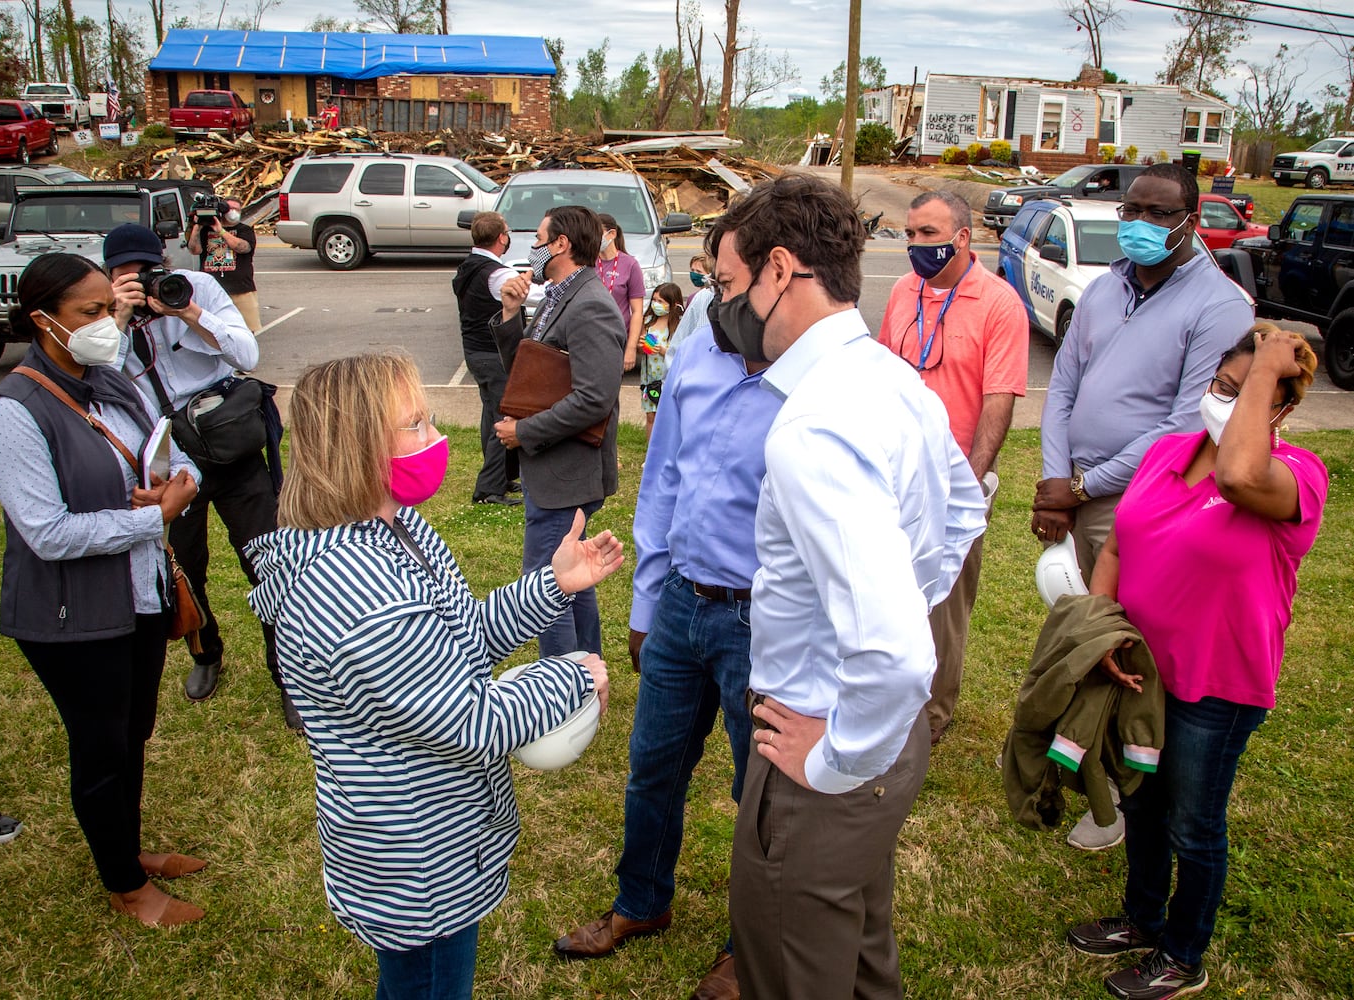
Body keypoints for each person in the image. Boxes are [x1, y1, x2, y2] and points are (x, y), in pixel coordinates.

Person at [246, 353, 622, 1000]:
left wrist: (552, 586)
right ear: (356, 444)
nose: (436, 439)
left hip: (431, 831)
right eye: (415, 424)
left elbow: (454, 642)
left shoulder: (390, 528)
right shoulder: (358, 590)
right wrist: (573, 676)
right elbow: (470, 720)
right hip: (418, 857)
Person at [712, 174, 986, 998]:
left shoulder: (814, 426)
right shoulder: (893, 378)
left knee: (794, 967)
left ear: (779, 270)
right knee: (862, 957)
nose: (717, 306)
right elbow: (964, 513)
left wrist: (832, 761)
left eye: (725, 285)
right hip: (881, 735)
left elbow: (897, 656)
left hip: (825, 742)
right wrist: (899, 592)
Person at [1067, 325, 1327, 1000]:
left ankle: (1182, 954)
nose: (1226, 404)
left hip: (1217, 684)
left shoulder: (1295, 477)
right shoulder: (1165, 453)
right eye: (1222, 387)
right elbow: (1117, 548)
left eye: (1250, 396)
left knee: (1191, 822)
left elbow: (1240, 474)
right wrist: (1101, 633)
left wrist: (1272, 362)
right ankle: (1141, 918)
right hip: (1139, 672)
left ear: (1280, 411)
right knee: (1142, 802)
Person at [552, 315, 782, 1000]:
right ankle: (641, 901)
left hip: (761, 619)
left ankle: (750, 948)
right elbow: (662, 481)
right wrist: (646, 606)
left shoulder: (816, 372)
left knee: (759, 794)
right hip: (683, 600)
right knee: (652, 766)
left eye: (731, 280)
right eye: (714, 275)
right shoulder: (697, 354)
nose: (716, 295)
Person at [1032, 164, 1253, 850]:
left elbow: (1186, 424)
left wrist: (1085, 487)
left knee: (1127, 654)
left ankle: (1125, 799)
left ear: (1189, 219)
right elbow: (1063, 382)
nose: (1141, 223)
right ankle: (1086, 772)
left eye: (1158, 214)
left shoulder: (1219, 306)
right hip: (1075, 494)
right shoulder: (1102, 288)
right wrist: (1053, 480)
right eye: (1131, 208)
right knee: (1082, 637)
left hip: (1149, 504)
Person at [0, 253, 205, 927]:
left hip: (139, 597)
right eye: (90, 312)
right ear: (41, 320)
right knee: (102, 747)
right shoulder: (11, 412)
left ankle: (128, 851)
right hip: (70, 615)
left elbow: (169, 451)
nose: (106, 324)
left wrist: (182, 482)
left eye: (109, 309)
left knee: (132, 733)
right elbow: (47, 532)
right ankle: (123, 885)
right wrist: (150, 517)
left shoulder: (109, 381)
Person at [104, 223, 288, 722]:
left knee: (268, 562)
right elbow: (101, 384)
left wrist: (186, 310)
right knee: (184, 565)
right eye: (127, 275)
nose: (142, 282)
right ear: (110, 277)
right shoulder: (104, 311)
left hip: (228, 442)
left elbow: (246, 354)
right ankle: (206, 652)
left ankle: (287, 675)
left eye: (148, 270)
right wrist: (119, 319)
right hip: (165, 453)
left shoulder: (195, 287)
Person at [878, 189, 1029, 745]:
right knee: (890, 588)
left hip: (954, 480)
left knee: (943, 602)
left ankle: (930, 718)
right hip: (895, 474)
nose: (916, 245)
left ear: (962, 238)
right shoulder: (901, 292)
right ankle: (888, 693)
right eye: (910, 234)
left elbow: (999, 397)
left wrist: (968, 480)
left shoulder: (999, 303)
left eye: (928, 235)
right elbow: (884, 374)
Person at [491, 206, 625, 659]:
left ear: (561, 243)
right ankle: (586, 675)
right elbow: (530, 373)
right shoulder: (556, 295)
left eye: (540, 236)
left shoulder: (589, 304)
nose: (533, 245)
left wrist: (525, 431)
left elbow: (594, 399)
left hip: (567, 475)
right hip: (552, 471)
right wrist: (511, 313)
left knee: (545, 583)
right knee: (572, 578)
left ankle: (563, 695)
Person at [453, 210, 520, 506]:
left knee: (490, 415)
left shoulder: (469, 266)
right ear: (502, 238)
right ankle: (489, 489)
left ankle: (502, 476)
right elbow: (530, 294)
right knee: (501, 419)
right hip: (493, 355)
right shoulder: (498, 274)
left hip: (475, 352)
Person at [186, 198, 261, 333]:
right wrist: (197, 227)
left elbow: (242, 247)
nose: (233, 212)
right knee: (213, 330)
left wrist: (221, 231)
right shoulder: (205, 230)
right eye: (229, 208)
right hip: (212, 290)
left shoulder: (245, 230)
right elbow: (194, 250)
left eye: (237, 209)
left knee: (247, 331)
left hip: (241, 289)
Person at [594, 213, 646, 372]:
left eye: (597, 233)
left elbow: (637, 311)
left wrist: (631, 348)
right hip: (592, 335)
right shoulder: (589, 262)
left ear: (612, 234)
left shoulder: (630, 264)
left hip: (616, 338)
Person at [637, 282, 683, 436]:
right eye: (654, 300)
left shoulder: (678, 325)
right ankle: (651, 454)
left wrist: (663, 351)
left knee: (668, 416)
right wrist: (642, 347)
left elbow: (680, 353)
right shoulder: (648, 321)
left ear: (673, 304)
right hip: (649, 379)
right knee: (651, 416)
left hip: (667, 380)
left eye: (661, 301)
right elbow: (640, 348)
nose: (656, 304)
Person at [668, 253, 715, 367]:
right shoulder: (693, 298)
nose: (694, 275)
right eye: (692, 270)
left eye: (699, 272)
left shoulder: (707, 296)